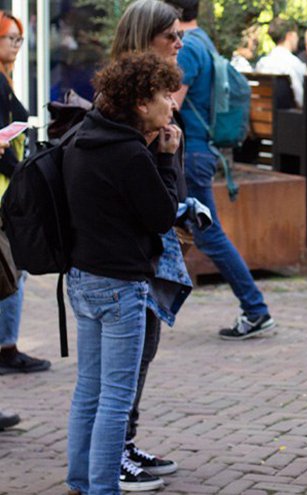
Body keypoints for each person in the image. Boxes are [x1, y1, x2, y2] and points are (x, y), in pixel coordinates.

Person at [63, 51, 181, 495]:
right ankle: (103, 488)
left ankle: (81, 480)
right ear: (140, 103)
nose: (171, 103)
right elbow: (161, 215)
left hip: (82, 277)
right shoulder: (131, 154)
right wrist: (166, 159)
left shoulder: (84, 136)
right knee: (116, 397)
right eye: (164, 95)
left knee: (88, 390)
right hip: (120, 285)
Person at [109, 0, 189, 489]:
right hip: (125, 253)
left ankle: (125, 440)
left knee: (145, 346)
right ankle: (114, 451)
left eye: (181, 35)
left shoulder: (155, 91)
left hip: (151, 245)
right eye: (170, 36)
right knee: (126, 358)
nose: (179, 43)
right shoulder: (124, 102)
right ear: (145, 37)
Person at [165, 0, 276, 340]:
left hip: (192, 152)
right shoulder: (203, 40)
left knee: (208, 234)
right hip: (201, 150)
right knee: (191, 232)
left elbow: (171, 106)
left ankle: (256, 309)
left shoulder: (186, 49)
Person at [0, 10, 51, 376]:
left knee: (11, 267)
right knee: (11, 267)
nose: (18, 45)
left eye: (20, 39)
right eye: (11, 38)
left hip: (6, 188)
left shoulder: (6, 79)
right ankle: (7, 347)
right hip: (4, 191)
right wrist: (20, 175)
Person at [255, 17, 306, 108]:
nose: (297, 39)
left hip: (263, 111)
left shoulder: (262, 63)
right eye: (296, 35)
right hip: (287, 114)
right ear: (290, 35)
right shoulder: (294, 64)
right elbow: (301, 100)